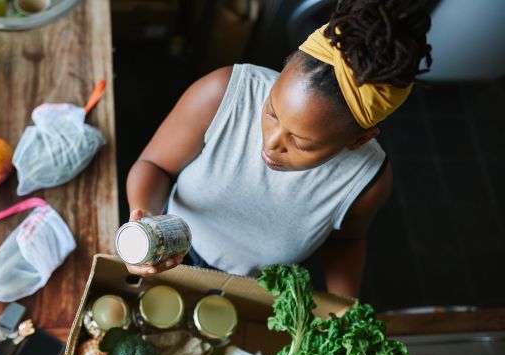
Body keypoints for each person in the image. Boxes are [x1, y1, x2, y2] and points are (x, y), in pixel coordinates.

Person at [123, 0, 432, 297]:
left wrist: (347, 311)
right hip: (171, 246)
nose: (270, 143)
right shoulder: (223, 93)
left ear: (358, 140)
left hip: (254, 290)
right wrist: (144, 220)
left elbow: (346, 241)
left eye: (299, 142)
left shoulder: (367, 182)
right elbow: (154, 164)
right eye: (271, 112)